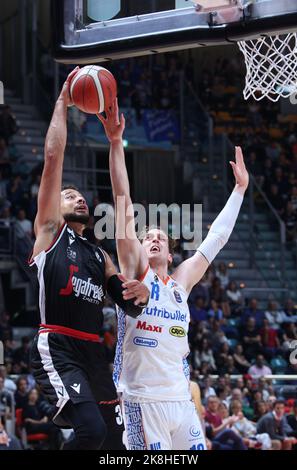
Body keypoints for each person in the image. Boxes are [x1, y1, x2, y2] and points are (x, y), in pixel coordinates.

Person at [98, 99, 249, 450]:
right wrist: (116, 144)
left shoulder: (181, 281)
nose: (153, 238)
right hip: (141, 400)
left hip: (181, 403)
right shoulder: (136, 270)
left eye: (160, 238)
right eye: (147, 236)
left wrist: (240, 190)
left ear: (169, 253)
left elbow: (217, 238)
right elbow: (122, 201)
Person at [29, 68, 150, 451]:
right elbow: (53, 156)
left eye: (81, 196)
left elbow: (128, 303)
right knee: (91, 433)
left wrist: (141, 294)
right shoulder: (50, 231)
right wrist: (63, 104)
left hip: (95, 350)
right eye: (69, 195)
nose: (79, 198)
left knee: (116, 441)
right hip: (59, 345)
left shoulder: (99, 256)